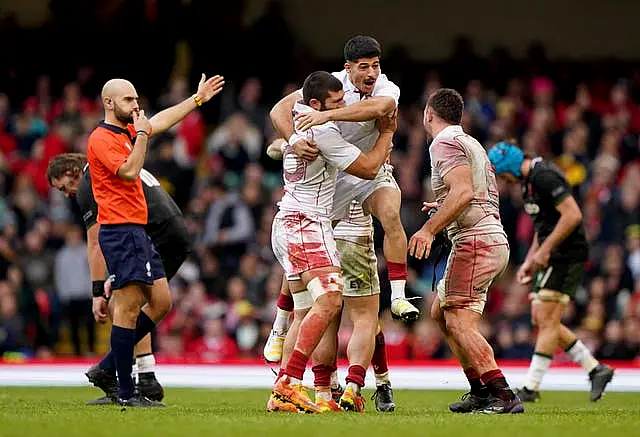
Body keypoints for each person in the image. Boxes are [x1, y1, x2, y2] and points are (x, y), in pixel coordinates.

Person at [83, 74, 223, 407]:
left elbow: (159, 120)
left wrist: (196, 99)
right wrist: (143, 134)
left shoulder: (124, 131)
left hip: (139, 230)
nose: (136, 105)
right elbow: (130, 171)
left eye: (135, 99)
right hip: (121, 231)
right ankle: (128, 392)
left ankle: (106, 368)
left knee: (161, 303)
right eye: (129, 100)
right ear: (109, 103)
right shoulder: (102, 139)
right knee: (128, 309)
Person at [267, 71, 395, 414]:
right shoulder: (323, 131)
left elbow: (275, 134)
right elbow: (368, 168)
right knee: (331, 301)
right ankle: (288, 384)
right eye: (335, 103)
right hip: (308, 225)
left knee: (306, 311)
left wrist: (287, 142)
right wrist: (386, 135)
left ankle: (286, 388)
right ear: (314, 104)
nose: (342, 107)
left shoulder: (297, 125)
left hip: (287, 221)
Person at [270, 35, 419, 322]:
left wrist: (325, 118)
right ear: (348, 68)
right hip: (336, 177)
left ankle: (399, 296)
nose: (371, 73)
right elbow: (278, 110)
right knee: (305, 252)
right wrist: (293, 140)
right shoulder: (331, 85)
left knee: (390, 214)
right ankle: (280, 320)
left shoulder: (387, 87)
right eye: (364, 67)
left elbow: (379, 109)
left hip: (372, 168)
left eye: (375, 65)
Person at [409, 88, 524, 414]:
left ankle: (502, 394)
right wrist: (444, 206)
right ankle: (479, 390)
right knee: (440, 314)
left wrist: (428, 229)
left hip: (475, 242)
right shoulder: (471, 142)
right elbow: (473, 194)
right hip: (488, 239)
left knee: (458, 322)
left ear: (428, 114)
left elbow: (463, 192)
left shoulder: (443, 143)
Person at [47, 152, 191, 405]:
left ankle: (120, 376)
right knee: (148, 302)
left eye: (63, 187)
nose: (67, 193)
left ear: (72, 172)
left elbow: (94, 242)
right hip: (174, 233)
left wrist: (95, 292)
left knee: (124, 305)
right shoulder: (116, 164)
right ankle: (143, 375)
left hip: (151, 235)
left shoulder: (91, 182)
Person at [487, 141, 614, 402]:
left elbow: (573, 215)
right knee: (542, 319)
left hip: (567, 254)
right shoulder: (528, 183)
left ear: (508, 168)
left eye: (501, 175)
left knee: (546, 318)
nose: (503, 181)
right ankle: (595, 369)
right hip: (552, 254)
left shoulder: (544, 176)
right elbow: (542, 227)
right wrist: (531, 260)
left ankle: (531, 387)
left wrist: (545, 251)